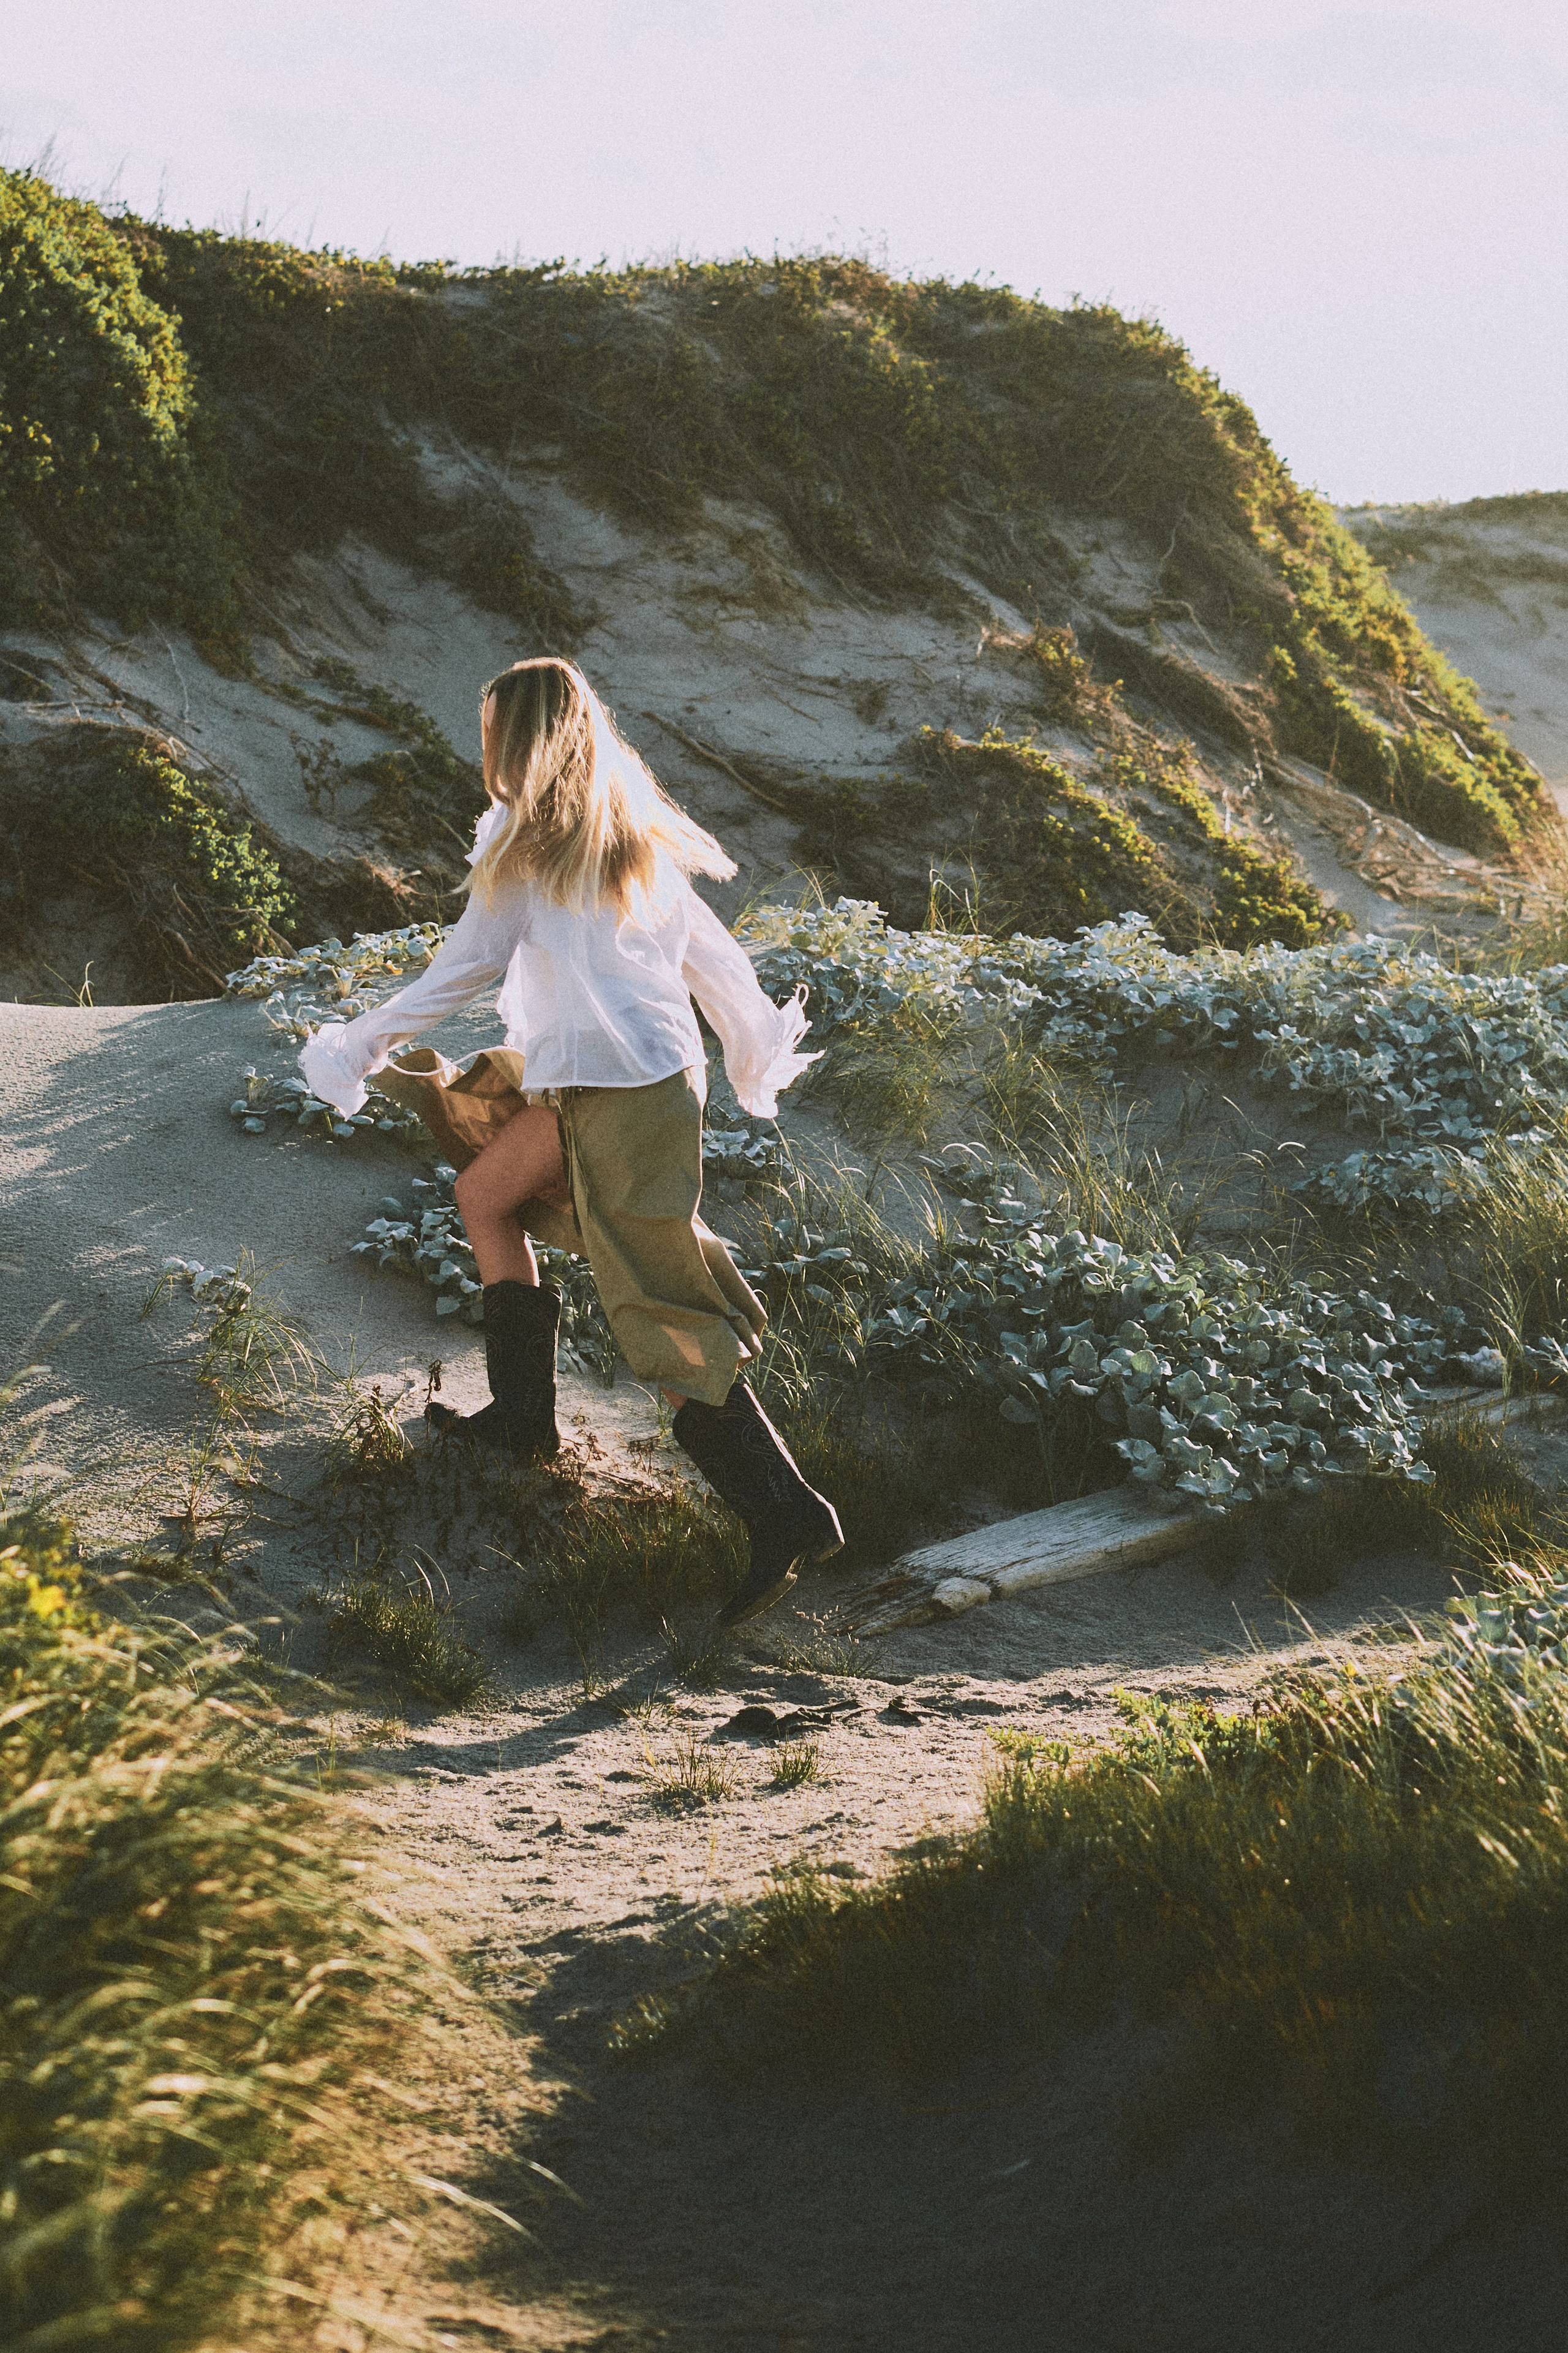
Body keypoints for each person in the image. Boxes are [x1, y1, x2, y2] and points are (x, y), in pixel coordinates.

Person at [299, 657, 841, 1626]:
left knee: (659, 1314)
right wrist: (751, 1045)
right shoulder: (605, 841)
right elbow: (714, 963)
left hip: (632, 1104)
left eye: (495, 734)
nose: (488, 754)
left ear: (526, 743)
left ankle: (788, 1512)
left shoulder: (552, 851)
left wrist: (356, 1043)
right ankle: (522, 1423)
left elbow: (460, 972)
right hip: (616, 1087)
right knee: (486, 1195)